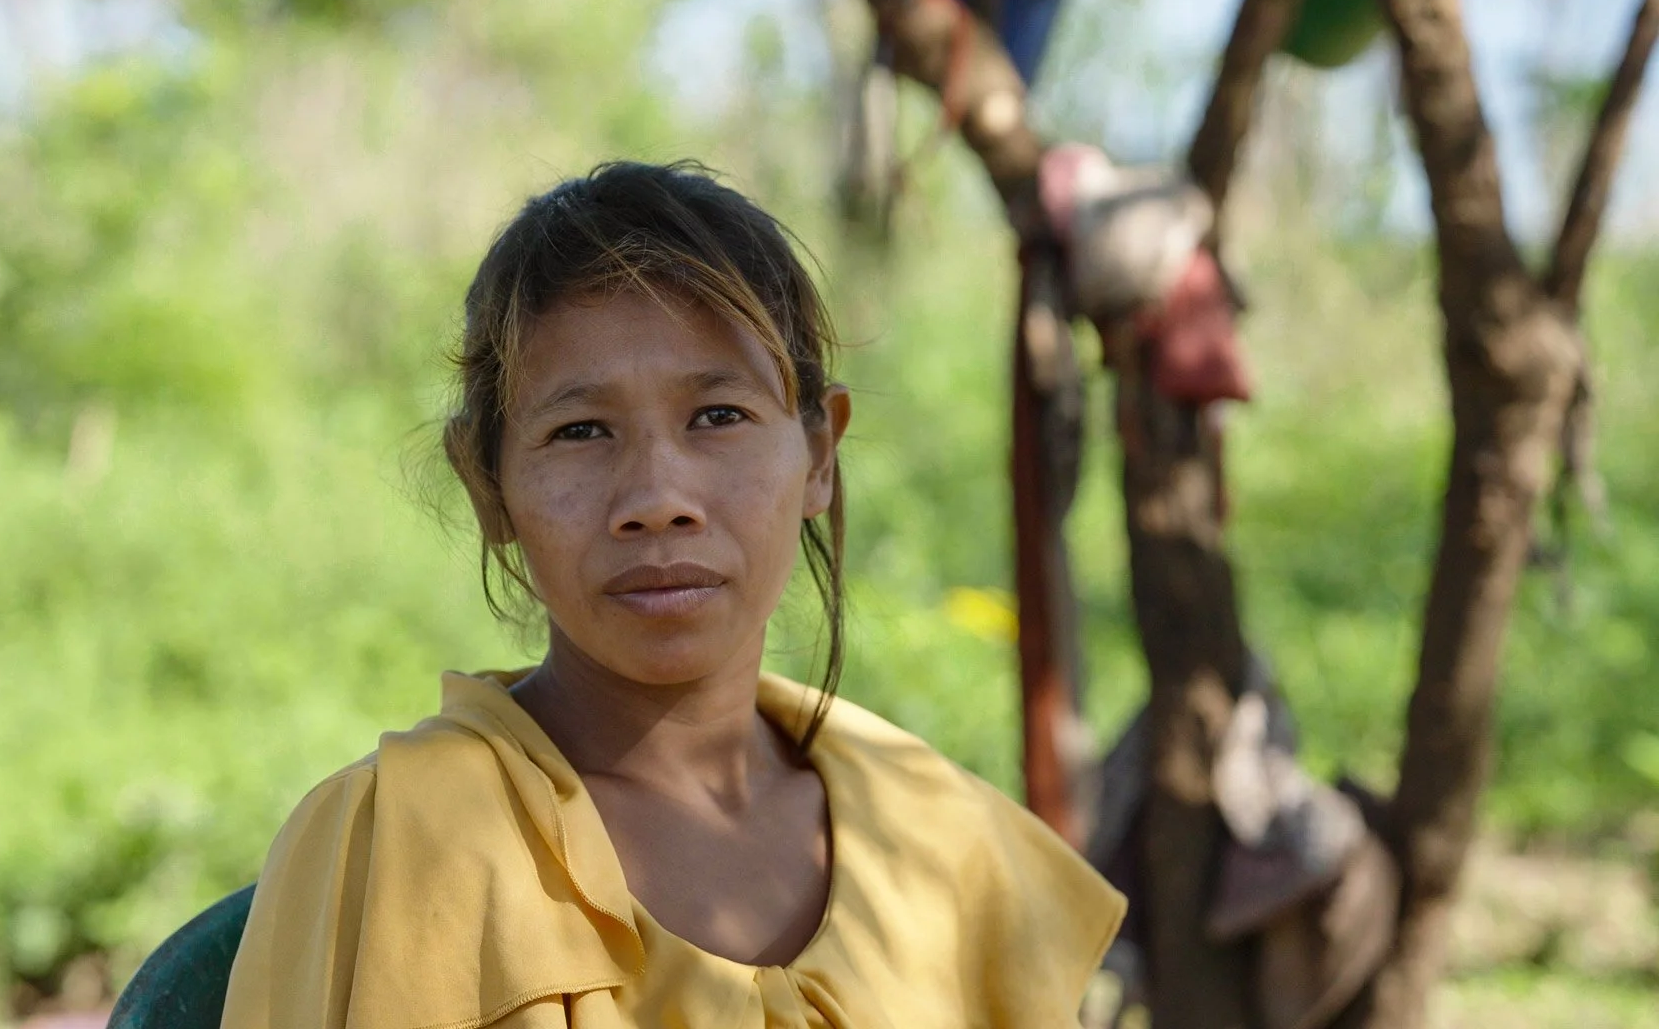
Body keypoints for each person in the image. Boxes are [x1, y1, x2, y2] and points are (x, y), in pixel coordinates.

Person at [218, 161, 1125, 1029]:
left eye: (719, 416)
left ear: (819, 453)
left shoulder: (942, 840)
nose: (657, 500)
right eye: (580, 431)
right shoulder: (403, 843)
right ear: (487, 484)